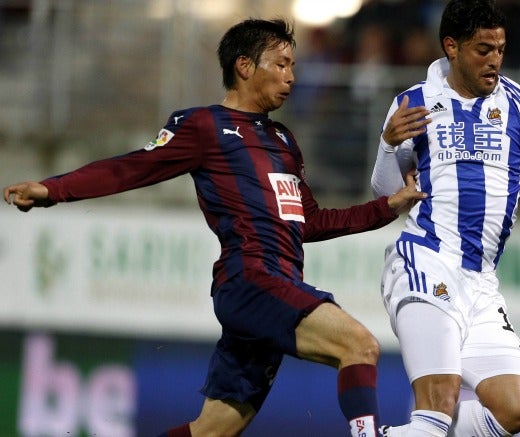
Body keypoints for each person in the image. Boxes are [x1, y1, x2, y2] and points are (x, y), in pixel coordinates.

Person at [3, 18, 425, 437]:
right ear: (244, 66)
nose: (292, 76)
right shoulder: (204, 126)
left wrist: (386, 207)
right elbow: (132, 168)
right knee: (359, 345)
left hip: (274, 285)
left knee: (211, 431)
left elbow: (309, 222)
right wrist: (52, 189)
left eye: (293, 65)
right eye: (280, 64)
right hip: (251, 281)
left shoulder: (283, 141)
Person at [370, 1, 520, 436]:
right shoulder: (413, 103)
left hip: (480, 283)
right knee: (438, 404)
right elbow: (386, 196)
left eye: (500, 49)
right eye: (483, 49)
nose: (495, 60)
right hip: (424, 260)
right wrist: (388, 146)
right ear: (452, 48)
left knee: (514, 412)